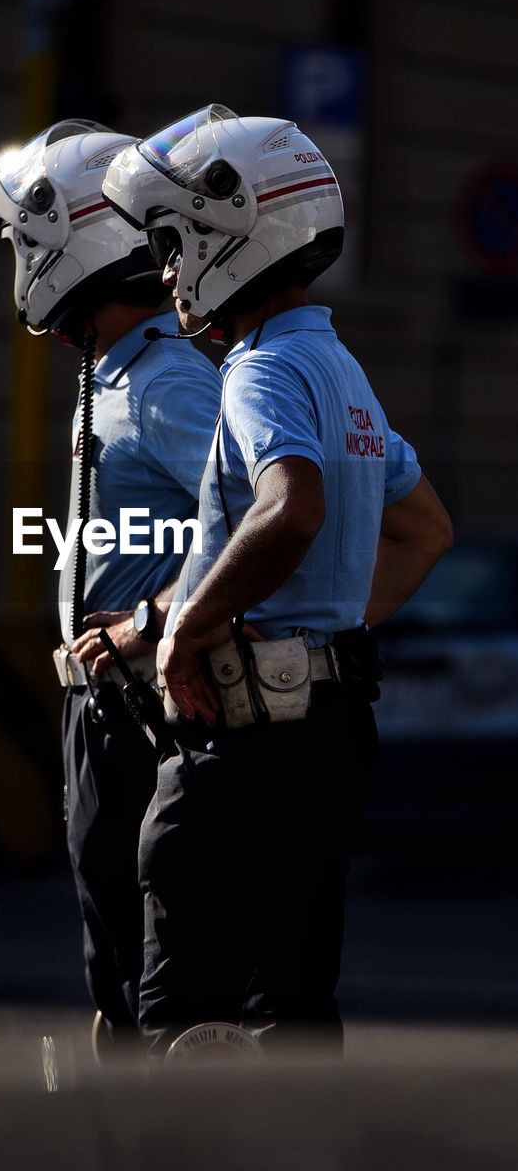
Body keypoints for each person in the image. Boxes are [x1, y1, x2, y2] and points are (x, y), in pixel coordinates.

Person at [102, 104, 454, 1056]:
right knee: (292, 1013)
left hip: (244, 748)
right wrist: (326, 634)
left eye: (174, 243)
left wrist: (185, 631)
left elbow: (288, 506)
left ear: (235, 230)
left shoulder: (257, 373)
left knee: (186, 1019)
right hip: (331, 732)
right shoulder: (340, 369)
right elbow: (424, 529)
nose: (168, 270)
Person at [0, 121, 220, 1053]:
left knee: (151, 964)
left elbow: (258, 521)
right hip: (104, 702)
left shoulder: (163, 381)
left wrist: (153, 624)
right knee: (113, 952)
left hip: (144, 703)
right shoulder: (112, 374)